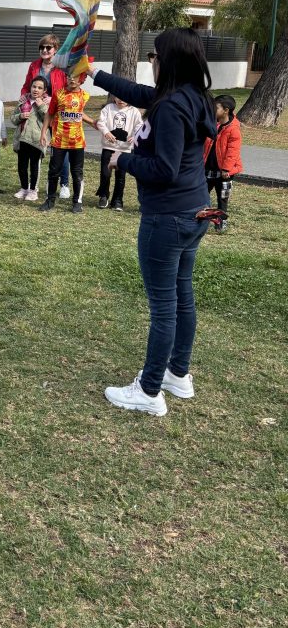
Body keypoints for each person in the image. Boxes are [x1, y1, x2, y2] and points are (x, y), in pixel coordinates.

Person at [87, 29, 217, 416]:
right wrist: (94, 73)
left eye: (154, 56)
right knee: (181, 295)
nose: (152, 62)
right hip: (193, 211)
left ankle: (148, 391)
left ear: (168, 60)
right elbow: (139, 92)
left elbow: (164, 168)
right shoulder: (191, 96)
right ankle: (177, 374)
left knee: (164, 307)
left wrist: (122, 159)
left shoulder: (172, 107)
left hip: (168, 219)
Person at [39, 70, 97, 213]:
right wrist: (43, 132)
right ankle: (50, 200)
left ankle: (77, 202)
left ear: (81, 79)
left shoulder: (85, 95)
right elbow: (50, 113)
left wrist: (92, 122)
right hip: (59, 140)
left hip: (77, 141)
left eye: (75, 77)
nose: (72, 79)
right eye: (69, 76)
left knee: (77, 173)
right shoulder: (58, 94)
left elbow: (78, 112)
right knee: (54, 171)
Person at [22, 34, 71, 199]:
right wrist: (25, 99)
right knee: (37, 146)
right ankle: (33, 185)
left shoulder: (62, 67)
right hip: (38, 113)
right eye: (41, 47)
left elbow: (68, 89)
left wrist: (54, 100)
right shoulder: (34, 65)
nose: (44, 50)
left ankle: (64, 184)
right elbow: (26, 86)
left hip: (56, 112)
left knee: (59, 148)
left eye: (48, 47)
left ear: (55, 49)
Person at [95, 95, 144, 210]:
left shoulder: (134, 111)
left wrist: (135, 136)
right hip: (108, 147)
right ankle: (103, 196)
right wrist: (106, 132)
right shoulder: (108, 108)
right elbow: (101, 122)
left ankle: (117, 200)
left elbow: (140, 125)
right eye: (118, 97)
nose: (121, 100)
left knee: (120, 175)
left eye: (124, 97)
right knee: (105, 173)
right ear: (114, 98)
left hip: (124, 149)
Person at [203, 94, 243, 233]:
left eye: (216, 107)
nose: (212, 110)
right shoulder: (212, 123)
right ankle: (204, 219)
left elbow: (233, 151)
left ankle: (221, 223)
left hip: (224, 173)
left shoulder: (233, 129)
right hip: (207, 169)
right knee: (202, 195)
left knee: (222, 198)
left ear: (226, 110)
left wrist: (226, 169)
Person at [10, 76, 49, 200]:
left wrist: (41, 106)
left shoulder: (46, 103)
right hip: (22, 139)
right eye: (34, 86)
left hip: (36, 141)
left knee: (34, 166)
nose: (36, 90)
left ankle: (33, 190)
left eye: (40, 88)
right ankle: (24, 188)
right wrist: (20, 116)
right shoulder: (23, 101)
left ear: (44, 90)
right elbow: (13, 119)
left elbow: (49, 120)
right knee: (22, 165)